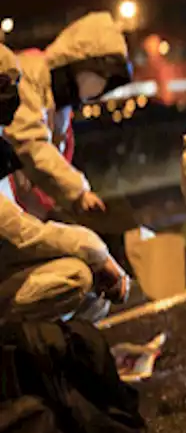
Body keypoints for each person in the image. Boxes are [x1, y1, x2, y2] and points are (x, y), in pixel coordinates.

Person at [0, 44, 129, 322]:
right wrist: (94, 249)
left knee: (91, 288)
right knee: (76, 278)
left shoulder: (56, 102)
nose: (12, 97)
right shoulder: (39, 82)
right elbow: (15, 232)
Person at [5, 12, 132, 220]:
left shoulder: (60, 104)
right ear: (82, 62)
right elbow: (30, 144)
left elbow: (49, 162)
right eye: (103, 75)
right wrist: (78, 193)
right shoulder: (28, 74)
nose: (101, 87)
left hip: (23, 211)